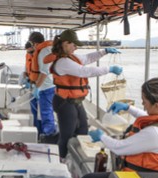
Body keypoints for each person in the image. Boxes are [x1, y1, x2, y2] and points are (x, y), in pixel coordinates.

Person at [48, 29, 123, 159]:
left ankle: (75, 159)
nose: (75, 48)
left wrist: (104, 51)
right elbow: (84, 71)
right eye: (73, 45)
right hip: (65, 102)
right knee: (67, 134)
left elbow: (87, 58)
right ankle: (61, 161)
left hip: (76, 101)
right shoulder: (62, 62)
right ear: (65, 43)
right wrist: (109, 69)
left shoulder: (72, 57)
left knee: (83, 130)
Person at [27, 31, 57, 142]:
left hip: (47, 88)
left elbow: (44, 72)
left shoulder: (44, 51)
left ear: (34, 43)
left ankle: (48, 137)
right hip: (45, 86)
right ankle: (40, 133)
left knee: (46, 112)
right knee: (41, 112)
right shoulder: (44, 50)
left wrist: (37, 87)